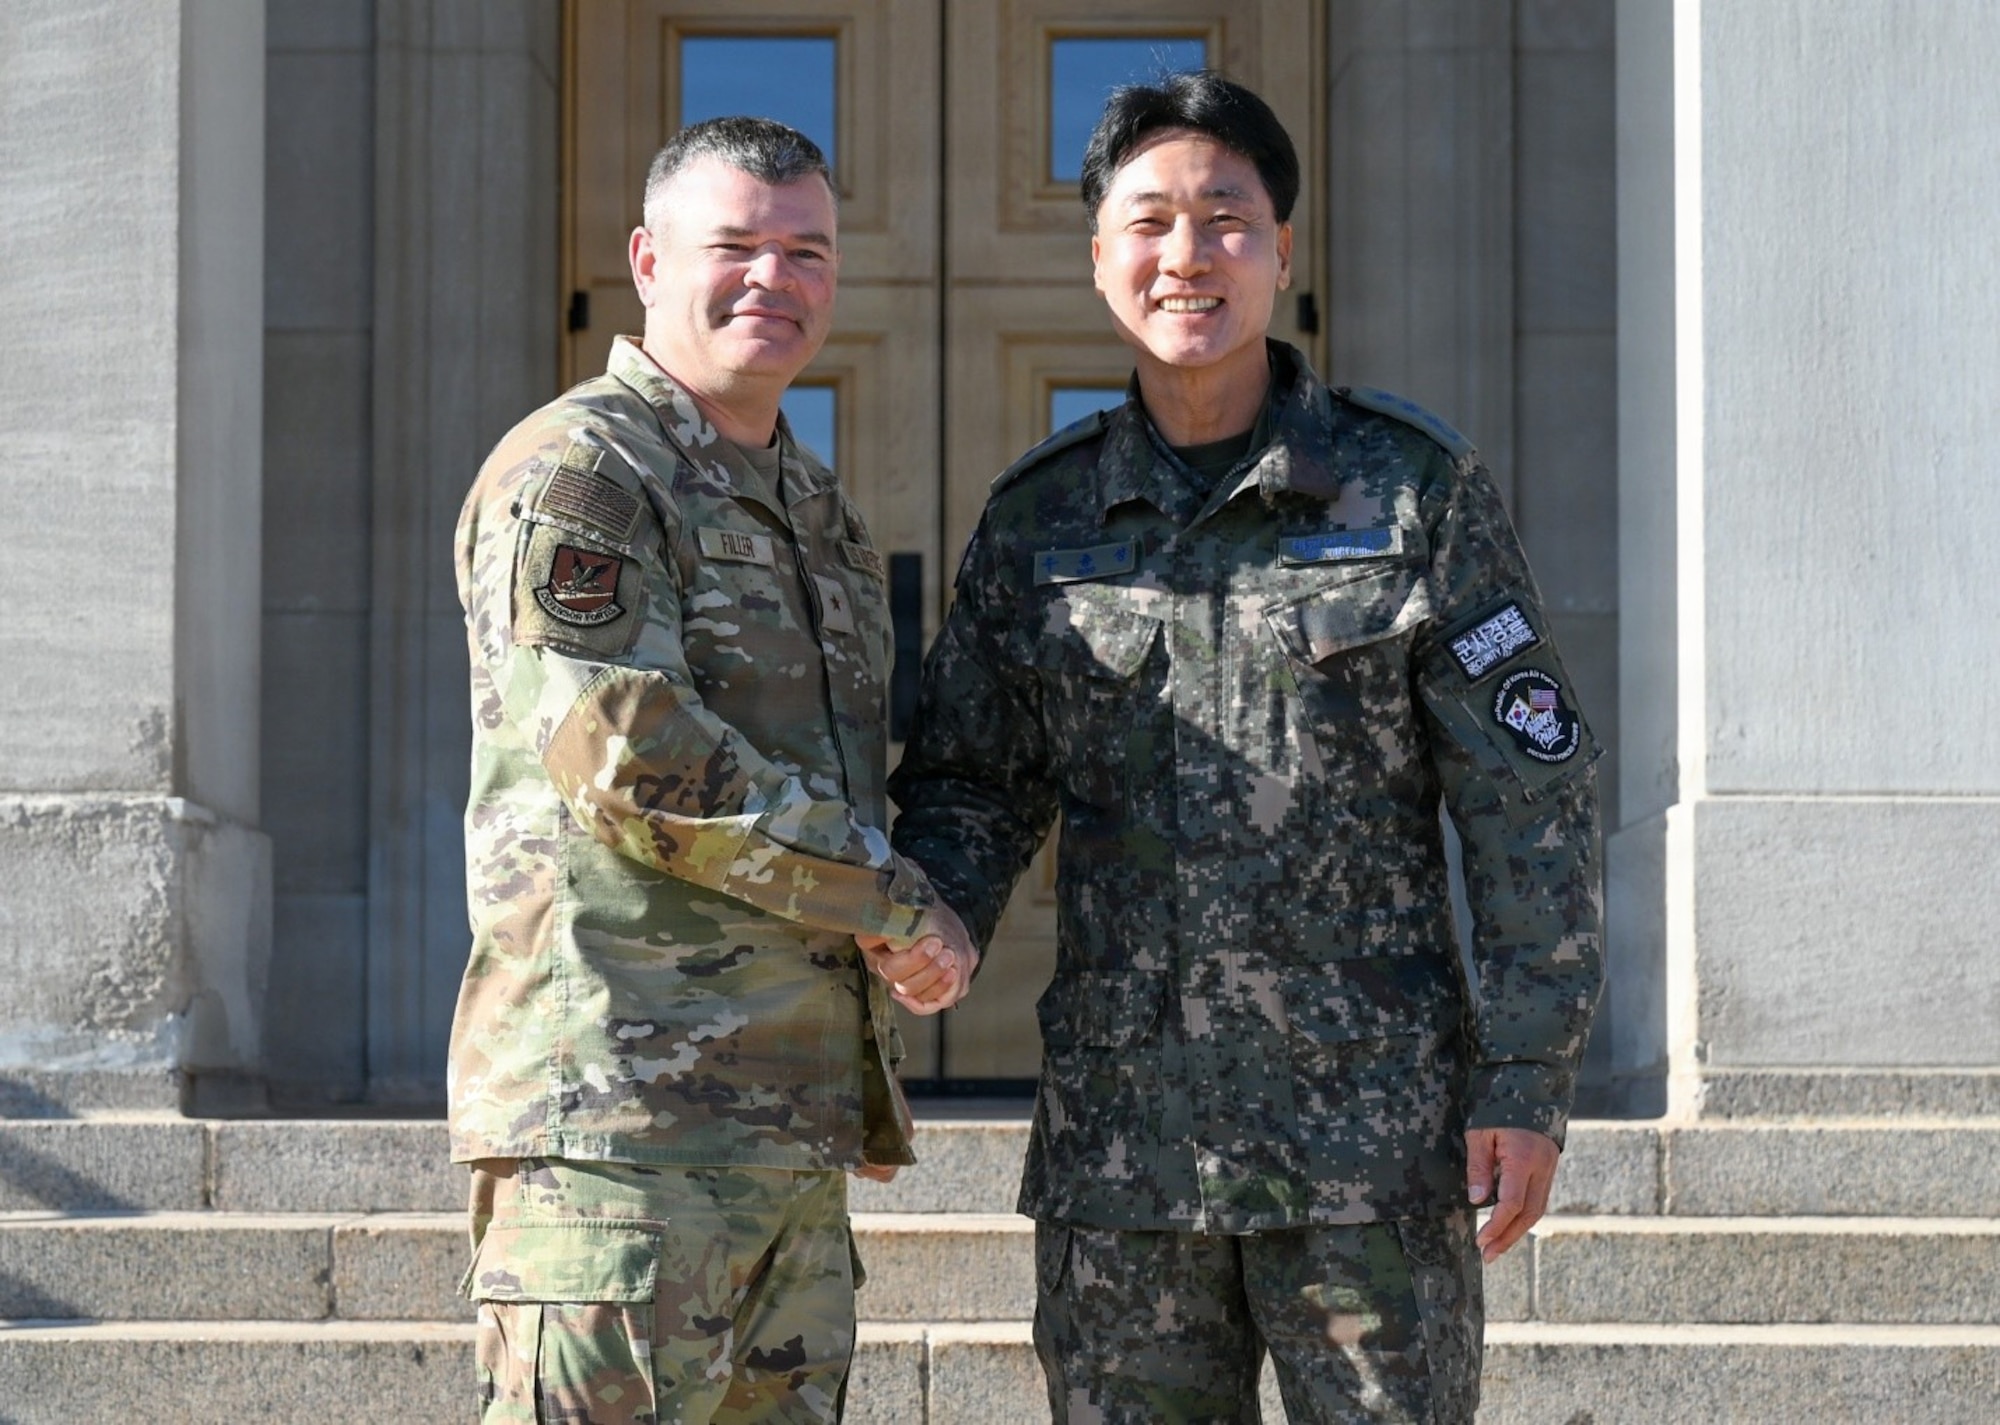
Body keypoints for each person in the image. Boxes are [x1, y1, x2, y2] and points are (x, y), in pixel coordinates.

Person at [881, 72, 1603, 1423]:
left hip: (1372, 1159)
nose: (1188, 255)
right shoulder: (1040, 523)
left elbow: (1529, 799)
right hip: (1126, 1165)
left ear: (1282, 250)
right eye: (1150, 221)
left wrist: (1526, 1076)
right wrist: (943, 916)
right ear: (1099, 258)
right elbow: (972, 778)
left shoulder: (1408, 490)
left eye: (1226, 218)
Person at [448, 115, 973, 1424]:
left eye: (808, 252)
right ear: (645, 257)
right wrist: (892, 899)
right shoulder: (583, 471)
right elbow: (627, 753)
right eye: (735, 245)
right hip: (621, 1146)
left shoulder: (819, 511)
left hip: (785, 1150)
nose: (774, 280)